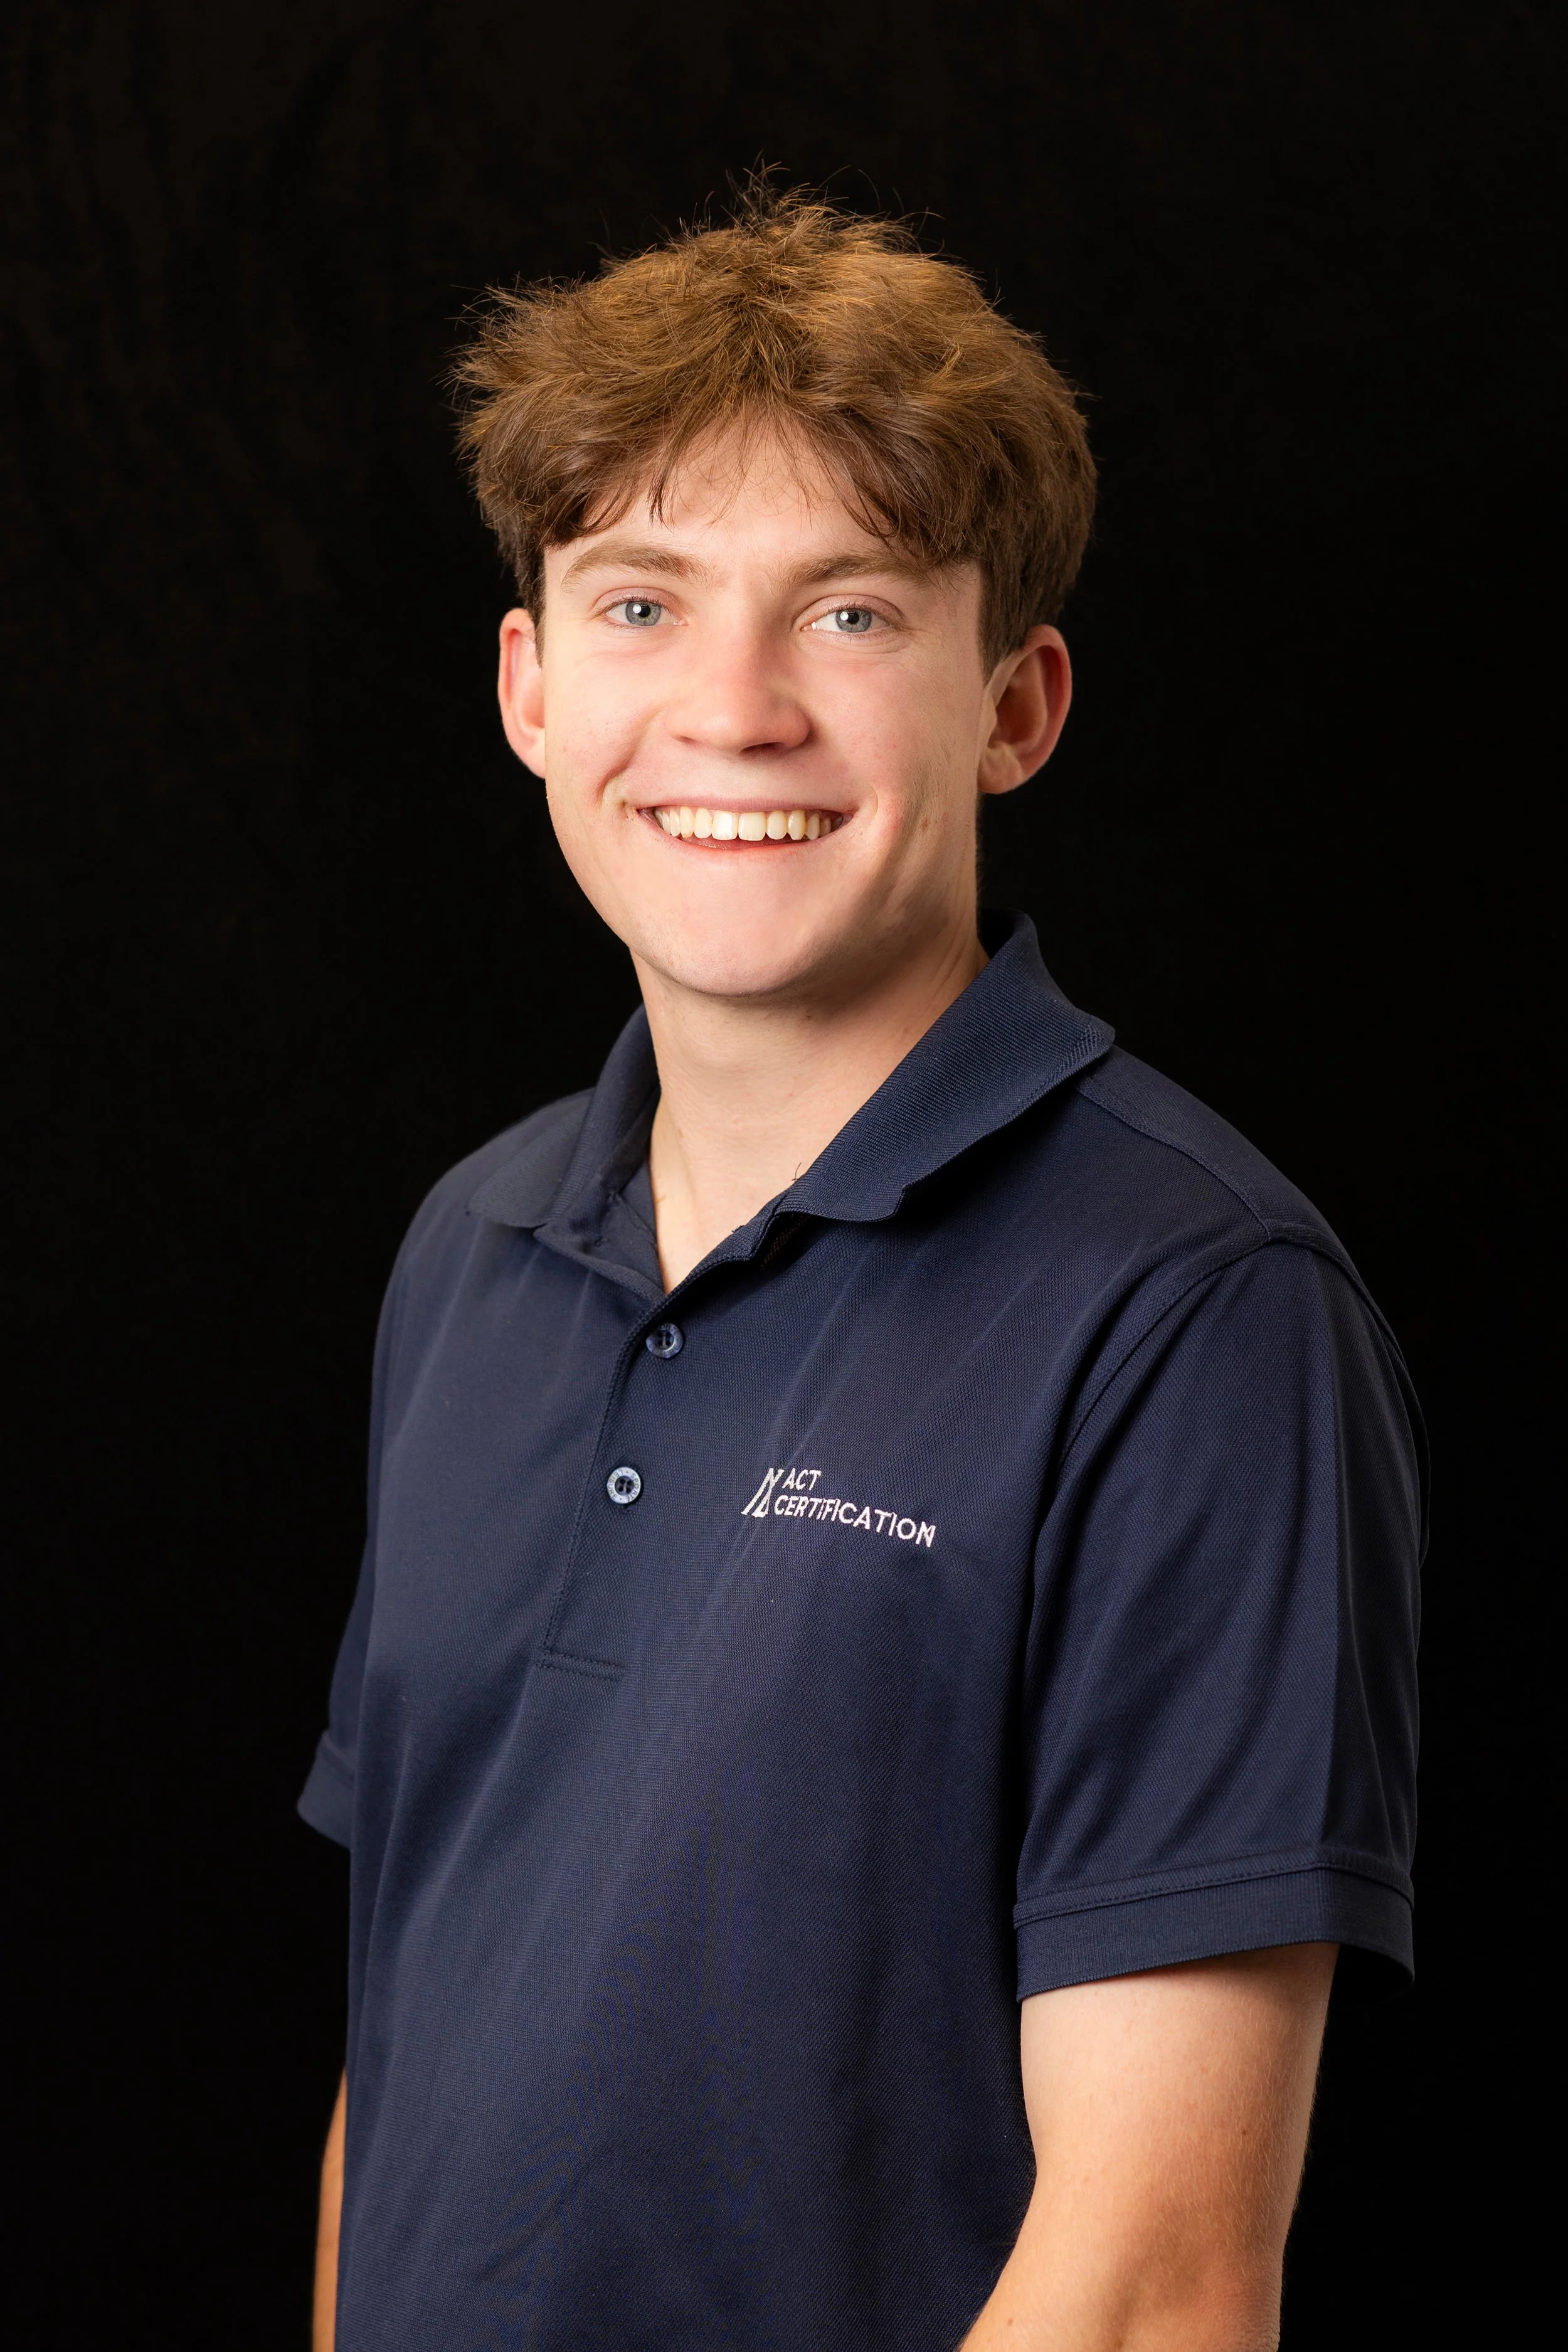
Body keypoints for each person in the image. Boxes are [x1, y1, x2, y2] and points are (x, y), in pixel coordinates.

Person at [301, 190, 1422, 2351]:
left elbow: (1152, 2285)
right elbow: (413, 2044)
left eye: (845, 616)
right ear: (530, 687)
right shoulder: (468, 1247)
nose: (729, 710)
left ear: (1014, 703)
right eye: (640, 603)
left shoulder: (1193, 1312)